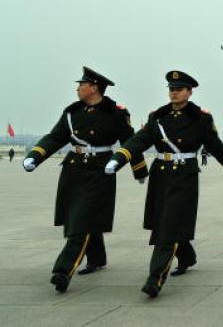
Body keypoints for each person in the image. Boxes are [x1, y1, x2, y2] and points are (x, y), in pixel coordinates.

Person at [106, 70, 223, 297]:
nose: (174, 93)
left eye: (179, 89)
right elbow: (139, 141)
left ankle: (155, 278)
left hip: (185, 176)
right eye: (171, 89)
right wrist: (118, 158)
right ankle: (187, 256)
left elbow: (214, 145)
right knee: (164, 222)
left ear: (189, 92)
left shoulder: (200, 118)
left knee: (168, 227)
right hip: (161, 175)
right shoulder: (157, 117)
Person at [22, 67, 147, 293]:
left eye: (81, 84)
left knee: (82, 220)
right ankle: (97, 258)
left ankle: (63, 270)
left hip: (100, 171)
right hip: (74, 169)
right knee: (78, 216)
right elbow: (55, 137)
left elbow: (131, 142)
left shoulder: (116, 113)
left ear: (94, 87)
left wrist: (139, 170)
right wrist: (35, 155)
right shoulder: (72, 112)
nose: (77, 88)